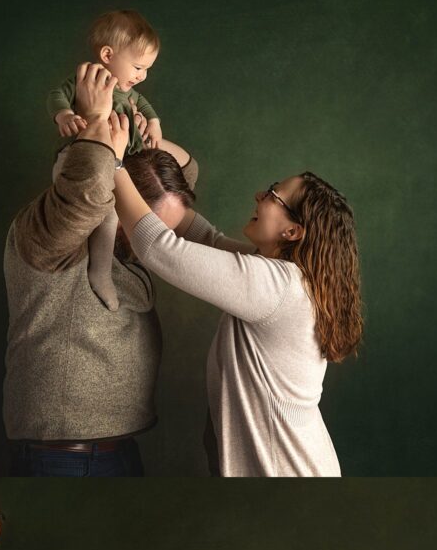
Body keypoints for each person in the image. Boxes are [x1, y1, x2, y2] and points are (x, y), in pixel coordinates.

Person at [111, 112, 364, 477]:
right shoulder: (285, 278)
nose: (260, 195)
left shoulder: (276, 285)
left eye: (274, 195)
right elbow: (206, 239)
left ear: (293, 231)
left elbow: (160, 248)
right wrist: (152, 144)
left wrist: (114, 161)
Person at [4, 62, 196, 477]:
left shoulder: (123, 251)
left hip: (119, 448)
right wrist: (94, 121)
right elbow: (86, 194)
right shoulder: (51, 237)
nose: (153, 239)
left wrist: (149, 137)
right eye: (146, 223)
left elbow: (184, 174)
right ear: (114, 199)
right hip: (64, 456)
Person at [47, 9, 188, 312]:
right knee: (98, 210)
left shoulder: (129, 92)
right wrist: (66, 114)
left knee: (120, 207)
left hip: (121, 158)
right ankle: (99, 271)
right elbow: (57, 95)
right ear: (108, 55)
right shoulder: (90, 80)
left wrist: (154, 123)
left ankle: (108, 262)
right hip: (84, 159)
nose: (142, 76)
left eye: (147, 69)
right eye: (138, 66)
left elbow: (144, 104)